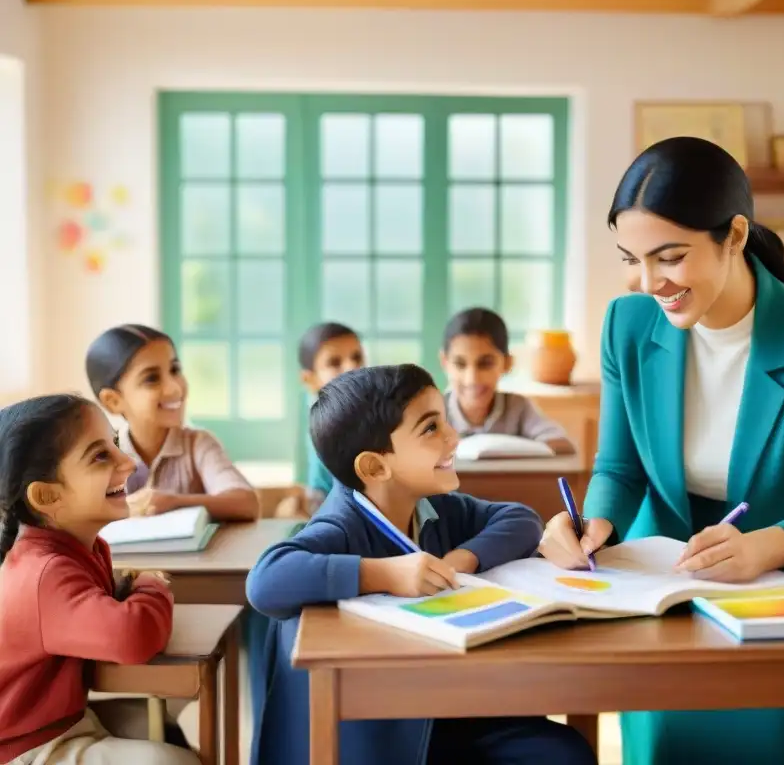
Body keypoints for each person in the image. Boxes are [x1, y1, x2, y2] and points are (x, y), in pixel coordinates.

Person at [538, 137, 784, 765]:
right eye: (632, 259)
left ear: (735, 235)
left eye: (670, 257)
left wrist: (760, 548)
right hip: (662, 587)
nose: (651, 283)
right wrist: (594, 526)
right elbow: (620, 466)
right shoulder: (627, 324)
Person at [245, 364, 596, 765]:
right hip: (382, 732)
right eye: (431, 429)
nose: (454, 436)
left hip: (450, 705)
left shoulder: (434, 506)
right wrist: (385, 574)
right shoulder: (341, 524)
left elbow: (520, 519)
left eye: (446, 422)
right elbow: (265, 580)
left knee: (565, 752)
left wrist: (461, 559)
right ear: (375, 467)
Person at [0, 394, 198, 765]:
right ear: (46, 496)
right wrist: (150, 583)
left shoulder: (84, 550)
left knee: (184, 725)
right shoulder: (45, 574)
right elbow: (133, 636)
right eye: (100, 455)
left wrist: (129, 585)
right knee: (174, 762)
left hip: (61, 722)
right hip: (27, 747)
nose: (129, 462)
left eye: (116, 444)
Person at [85, 324, 258, 522]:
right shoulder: (104, 455)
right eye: (151, 378)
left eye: (174, 370)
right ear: (113, 401)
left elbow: (247, 503)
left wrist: (175, 502)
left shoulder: (198, 444)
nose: (175, 388)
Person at [440, 307, 575, 454]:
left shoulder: (518, 408)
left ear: (507, 363)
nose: (472, 379)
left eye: (485, 364)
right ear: (445, 362)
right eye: (460, 364)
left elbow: (563, 445)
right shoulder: (434, 412)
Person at [298, 322, 366, 510]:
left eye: (357, 357)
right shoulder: (327, 416)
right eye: (334, 363)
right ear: (309, 379)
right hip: (329, 508)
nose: (352, 367)